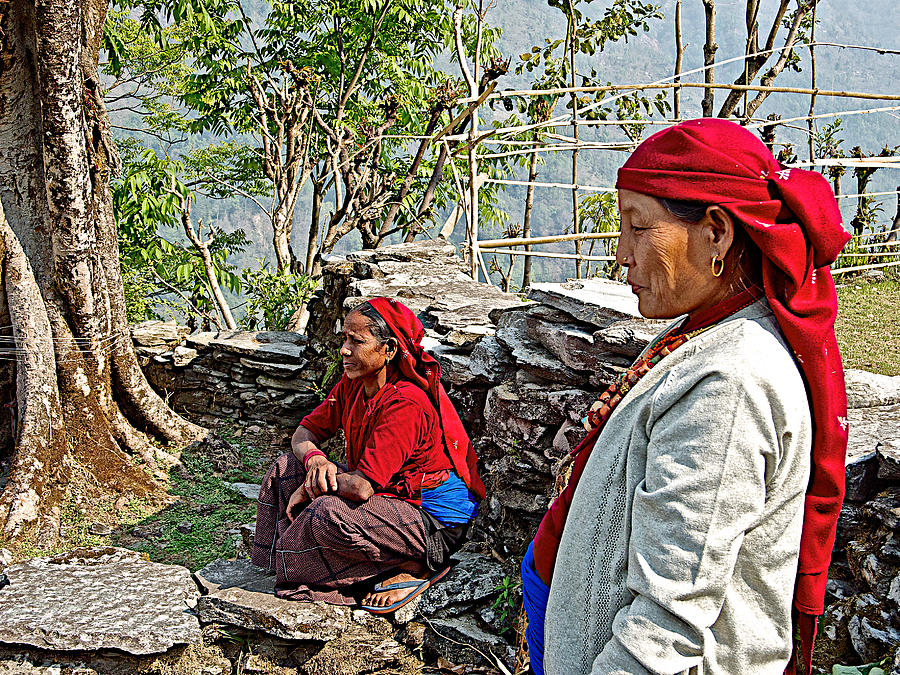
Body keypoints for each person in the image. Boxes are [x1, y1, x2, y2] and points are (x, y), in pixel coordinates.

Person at [522, 118, 850, 675]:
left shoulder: (730, 384)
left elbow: (667, 624)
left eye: (638, 227)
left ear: (717, 233)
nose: (621, 254)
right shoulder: (705, 334)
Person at [252, 297, 485, 613]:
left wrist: (310, 487)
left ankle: (415, 564)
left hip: (433, 521)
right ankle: (283, 559)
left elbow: (362, 487)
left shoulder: (406, 404)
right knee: (286, 468)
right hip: (388, 497)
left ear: (388, 351)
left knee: (326, 512)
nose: (344, 350)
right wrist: (316, 461)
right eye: (344, 339)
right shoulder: (353, 386)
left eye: (357, 341)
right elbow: (304, 434)